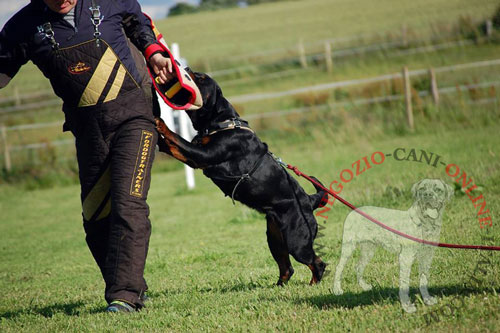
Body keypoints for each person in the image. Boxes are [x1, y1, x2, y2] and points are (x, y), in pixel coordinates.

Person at [0, 0, 173, 312]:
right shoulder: (22, 26)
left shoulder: (110, 2)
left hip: (134, 117)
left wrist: (154, 52)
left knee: (128, 204)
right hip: (88, 130)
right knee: (96, 220)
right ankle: (133, 287)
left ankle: (124, 296)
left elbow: (138, 23)